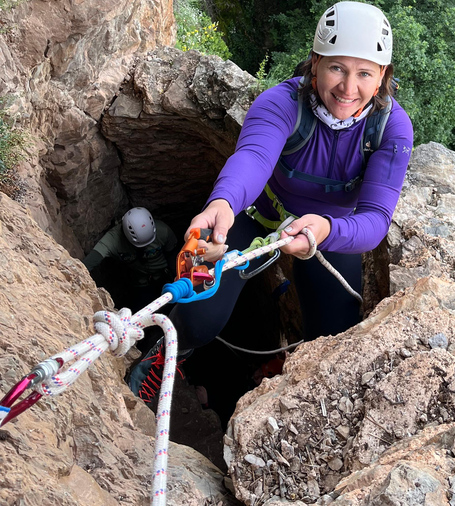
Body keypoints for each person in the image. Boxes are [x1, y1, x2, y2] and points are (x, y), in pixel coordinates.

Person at [129, 1, 414, 405]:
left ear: (381, 74)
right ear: (315, 63)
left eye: (364, 73)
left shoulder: (391, 128)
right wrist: (223, 203)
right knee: (199, 311)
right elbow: (253, 159)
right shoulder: (282, 104)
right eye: (337, 68)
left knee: (333, 338)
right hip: (256, 216)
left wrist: (326, 229)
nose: (348, 88)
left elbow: (375, 219)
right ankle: (169, 354)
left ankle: (289, 376)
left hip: (327, 232)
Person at [83, 207, 178, 313]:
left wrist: (176, 276)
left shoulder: (163, 231)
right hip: (141, 283)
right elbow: (89, 262)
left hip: (165, 276)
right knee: (141, 312)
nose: (143, 248)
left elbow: (174, 255)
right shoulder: (113, 240)